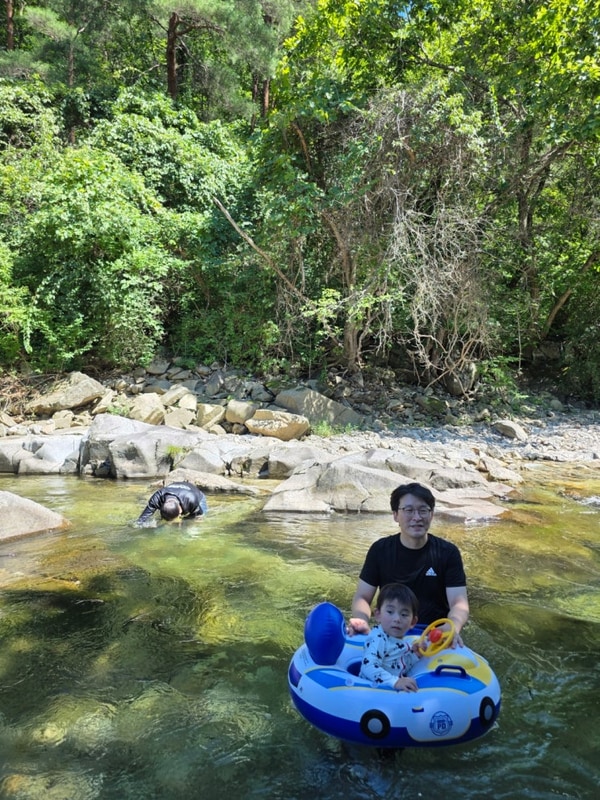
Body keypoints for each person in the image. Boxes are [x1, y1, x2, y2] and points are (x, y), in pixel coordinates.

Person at [348, 482, 469, 645]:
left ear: (431, 515)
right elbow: (362, 597)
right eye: (409, 510)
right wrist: (361, 620)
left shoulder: (447, 553)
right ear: (396, 515)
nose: (417, 517)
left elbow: (459, 603)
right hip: (389, 634)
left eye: (423, 510)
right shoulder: (380, 550)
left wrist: (453, 625)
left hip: (433, 636)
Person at [359, 582, 423, 693]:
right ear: (378, 615)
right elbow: (368, 666)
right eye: (390, 612)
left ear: (413, 622)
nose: (397, 619)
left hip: (389, 690)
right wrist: (395, 682)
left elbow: (396, 665)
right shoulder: (378, 639)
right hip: (370, 690)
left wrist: (414, 656)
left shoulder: (400, 640)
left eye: (404, 614)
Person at [136, 481, 208, 526]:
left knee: (197, 519)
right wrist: (145, 525)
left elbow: (198, 516)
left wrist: (185, 523)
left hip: (196, 494)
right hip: (177, 488)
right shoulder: (157, 498)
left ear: (180, 511)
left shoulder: (191, 500)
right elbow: (142, 519)